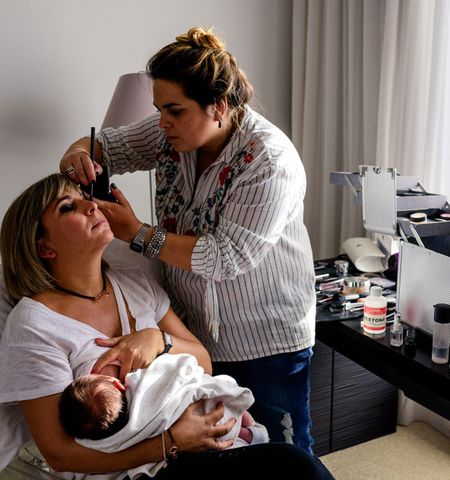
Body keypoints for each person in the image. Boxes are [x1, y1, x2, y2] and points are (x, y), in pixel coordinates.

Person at [59, 26, 316, 452]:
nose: (163, 122)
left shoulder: (268, 161)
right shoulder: (168, 136)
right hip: (194, 335)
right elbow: (103, 145)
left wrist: (136, 233)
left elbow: (225, 257)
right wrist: (77, 155)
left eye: (174, 111)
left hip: (266, 340)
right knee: (221, 453)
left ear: (217, 107)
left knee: (283, 454)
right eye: (160, 109)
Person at [0, 173, 333, 479]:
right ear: (44, 246)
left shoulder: (133, 284)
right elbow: (59, 454)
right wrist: (171, 442)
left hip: (199, 444)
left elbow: (202, 360)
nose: (92, 205)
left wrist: (158, 340)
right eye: (68, 207)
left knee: (297, 464)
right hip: (136, 468)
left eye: (86, 197)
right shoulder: (33, 324)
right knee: (295, 467)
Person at [59, 354, 270, 477]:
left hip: (194, 447)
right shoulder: (139, 383)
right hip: (206, 423)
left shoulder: (104, 442)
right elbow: (177, 367)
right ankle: (249, 430)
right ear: (117, 384)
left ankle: (247, 435)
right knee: (214, 397)